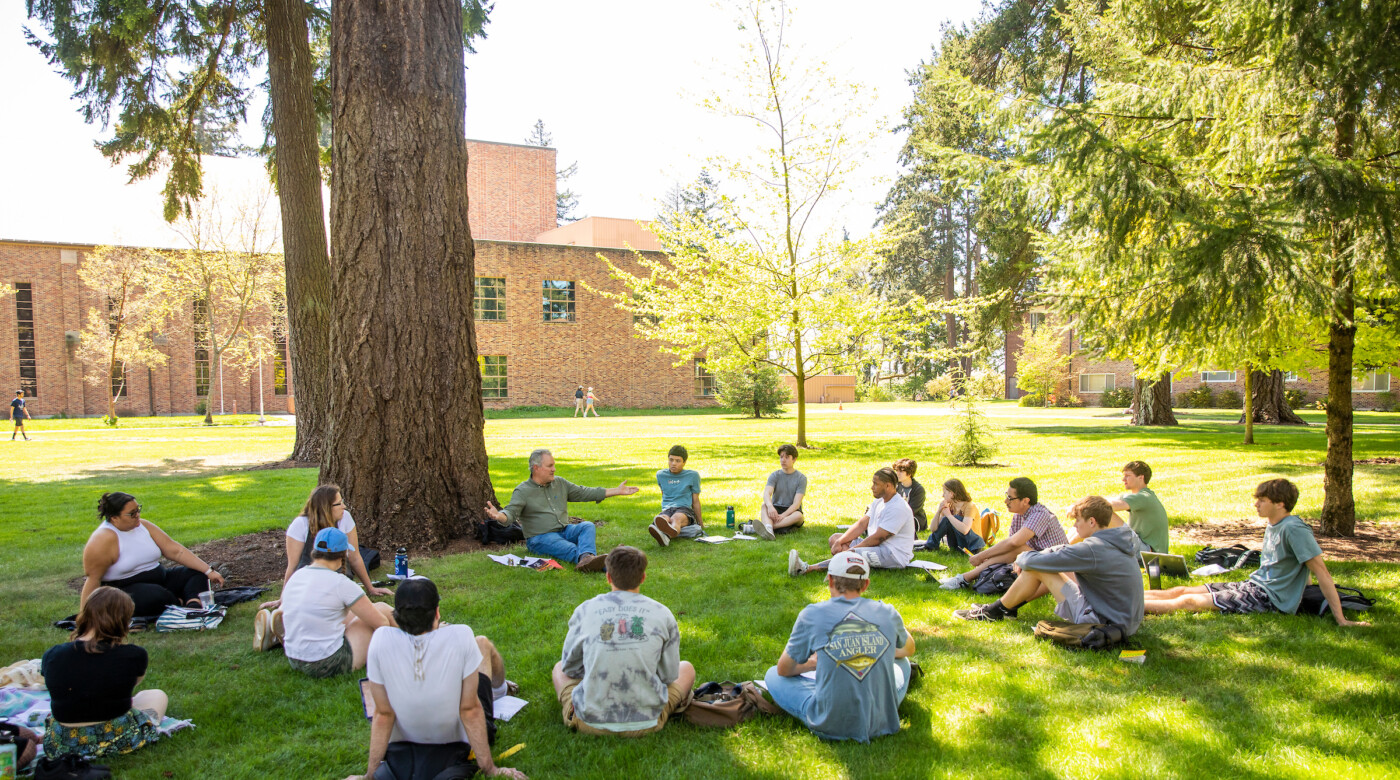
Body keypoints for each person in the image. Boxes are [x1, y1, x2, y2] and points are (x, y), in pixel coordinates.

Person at [348, 578, 526, 780]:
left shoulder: (380, 639)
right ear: (437, 612)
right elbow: (470, 710)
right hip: (459, 743)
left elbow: (383, 714)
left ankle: (501, 691)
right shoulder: (462, 635)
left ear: (396, 615)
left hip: (405, 744)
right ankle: (500, 691)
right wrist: (490, 769)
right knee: (482, 643)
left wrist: (368, 776)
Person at [1143, 479, 1370, 627]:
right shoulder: (1274, 523)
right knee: (1181, 590)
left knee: (1188, 601)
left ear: (1280, 503)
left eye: (1262, 500)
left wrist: (1341, 619)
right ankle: (1123, 598)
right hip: (1254, 585)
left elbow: (1322, 572)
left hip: (1269, 598)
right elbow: (1298, 568)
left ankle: (1120, 606)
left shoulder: (1295, 529)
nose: (1256, 504)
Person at [764, 550, 914, 742]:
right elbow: (909, 649)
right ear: (866, 584)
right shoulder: (887, 612)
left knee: (772, 674)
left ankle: (825, 703)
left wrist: (812, 664)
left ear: (830, 581)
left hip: (828, 723)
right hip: (881, 721)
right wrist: (874, 649)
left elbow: (784, 669)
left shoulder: (812, 615)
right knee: (904, 663)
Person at [552, 546, 695, 736]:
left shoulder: (585, 610)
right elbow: (669, 675)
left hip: (588, 721)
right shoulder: (663, 613)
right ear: (643, 577)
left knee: (558, 668)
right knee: (686, 668)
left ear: (608, 577)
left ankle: (583, 706)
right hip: (647, 722)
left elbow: (569, 668)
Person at [953, 496, 1145, 634]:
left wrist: (1022, 559)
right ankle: (1002, 609)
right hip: (1126, 620)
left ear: (1092, 521)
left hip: (1106, 623)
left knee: (1036, 566)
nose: (1075, 526)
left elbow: (1041, 560)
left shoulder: (1094, 549)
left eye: (1078, 521)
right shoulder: (1116, 539)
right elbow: (1059, 553)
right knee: (1038, 564)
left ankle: (994, 611)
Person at [41, 587, 168, 760]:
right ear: (123, 621)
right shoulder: (133, 654)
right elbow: (134, 683)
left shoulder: (52, 655)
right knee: (156, 695)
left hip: (64, 743)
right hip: (118, 738)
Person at [483, 448, 638, 571]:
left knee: (587, 526)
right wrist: (499, 516)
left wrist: (616, 491)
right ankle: (610, 563)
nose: (554, 469)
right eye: (550, 466)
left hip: (564, 530)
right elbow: (510, 513)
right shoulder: (522, 491)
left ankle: (588, 558)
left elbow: (584, 492)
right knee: (571, 548)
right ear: (536, 468)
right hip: (540, 538)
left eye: (554, 465)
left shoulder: (560, 483)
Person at [272, 527, 396, 676]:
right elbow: (381, 623)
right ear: (343, 554)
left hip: (295, 658)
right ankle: (415, 642)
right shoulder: (341, 583)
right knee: (381, 609)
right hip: (329, 663)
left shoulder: (297, 576)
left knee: (352, 613)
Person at [80, 492, 225, 618]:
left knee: (196, 574)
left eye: (138, 510)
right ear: (114, 518)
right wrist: (85, 616)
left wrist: (208, 570)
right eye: (132, 513)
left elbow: (174, 550)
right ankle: (180, 602)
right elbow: (93, 578)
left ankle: (193, 605)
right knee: (156, 596)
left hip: (160, 578)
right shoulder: (103, 539)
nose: (138, 515)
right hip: (126, 589)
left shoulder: (143, 525)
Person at [258, 484, 392, 617]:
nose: (344, 506)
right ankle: (281, 620)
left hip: (339, 576)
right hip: (309, 580)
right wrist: (283, 598)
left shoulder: (345, 518)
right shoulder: (300, 524)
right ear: (326, 508)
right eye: (339, 504)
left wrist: (370, 588)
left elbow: (355, 557)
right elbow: (292, 566)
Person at [939, 477, 1068, 590]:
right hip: (1037, 559)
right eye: (1006, 495)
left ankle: (964, 578)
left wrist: (981, 555)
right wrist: (990, 555)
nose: (1005, 501)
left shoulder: (1039, 515)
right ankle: (965, 578)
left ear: (1025, 501)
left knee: (1019, 548)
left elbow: (1014, 543)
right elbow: (1009, 546)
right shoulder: (1020, 514)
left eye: (1010, 498)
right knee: (1013, 550)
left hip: (1058, 566)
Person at [789, 468, 916, 576]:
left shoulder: (898, 507)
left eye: (876, 484)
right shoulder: (879, 501)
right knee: (835, 538)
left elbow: (878, 538)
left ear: (888, 486)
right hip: (878, 547)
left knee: (850, 554)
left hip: (893, 554)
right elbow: (861, 524)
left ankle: (806, 569)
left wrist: (851, 551)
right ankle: (855, 565)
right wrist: (840, 541)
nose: (872, 487)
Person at [1108, 460, 1170, 554]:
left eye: (1128, 476)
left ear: (1141, 477)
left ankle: (1077, 550)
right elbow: (1106, 501)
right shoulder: (1138, 496)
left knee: (1102, 512)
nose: (1123, 479)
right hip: (1142, 547)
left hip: (1150, 553)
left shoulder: (1144, 497)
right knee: (1094, 513)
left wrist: (1085, 506)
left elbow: (1109, 506)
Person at [649, 444, 704, 546]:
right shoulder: (660, 475)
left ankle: (665, 535)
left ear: (684, 462)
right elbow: (663, 494)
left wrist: (700, 523)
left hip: (684, 509)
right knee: (663, 518)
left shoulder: (693, 476)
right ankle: (665, 532)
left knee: (676, 518)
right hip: (667, 509)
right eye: (671, 460)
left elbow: (695, 501)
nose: (673, 463)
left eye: (678, 461)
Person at [752, 443, 807, 540]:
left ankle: (768, 528)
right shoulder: (775, 475)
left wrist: (783, 515)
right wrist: (770, 507)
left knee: (799, 516)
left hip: (791, 511)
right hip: (776, 509)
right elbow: (766, 493)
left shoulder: (801, 478)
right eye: (781, 457)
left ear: (794, 459)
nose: (783, 460)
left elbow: (796, 504)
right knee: (764, 505)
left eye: (787, 457)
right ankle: (769, 529)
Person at [924, 478, 986, 554]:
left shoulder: (970, 506)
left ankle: (930, 546)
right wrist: (938, 511)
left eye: (944, 492)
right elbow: (933, 529)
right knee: (947, 519)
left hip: (973, 546)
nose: (942, 495)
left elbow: (965, 530)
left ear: (951, 494)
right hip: (957, 545)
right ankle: (930, 545)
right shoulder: (950, 506)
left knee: (950, 519)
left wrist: (949, 516)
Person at [892, 458, 928, 534]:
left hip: (914, 519)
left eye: (901, 471)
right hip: (898, 516)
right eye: (897, 471)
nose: (897, 473)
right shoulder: (896, 486)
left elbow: (911, 511)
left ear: (909, 473)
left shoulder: (918, 489)